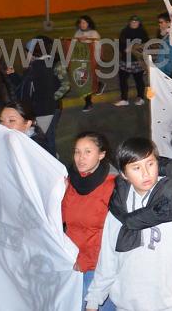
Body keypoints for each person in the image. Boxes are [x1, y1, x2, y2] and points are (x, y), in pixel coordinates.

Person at [84, 138, 172, 311]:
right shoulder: (118, 211)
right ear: (124, 174)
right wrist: (94, 299)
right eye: (136, 167)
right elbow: (108, 259)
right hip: (127, 304)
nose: (146, 173)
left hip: (171, 305)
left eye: (150, 164)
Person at [62, 132, 117, 311]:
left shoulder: (113, 186)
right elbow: (64, 220)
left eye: (87, 152)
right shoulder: (71, 181)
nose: (80, 158)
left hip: (99, 266)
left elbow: (111, 236)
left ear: (101, 155)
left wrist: (85, 261)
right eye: (77, 152)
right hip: (72, 261)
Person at [115, 15, 148, 107]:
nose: (134, 23)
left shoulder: (142, 32)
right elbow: (120, 44)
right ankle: (124, 99)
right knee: (122, 80)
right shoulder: (124, 31)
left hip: (137, 60)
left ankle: (140, 97)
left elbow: (146, 45)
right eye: (132, 22)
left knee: (139, 80)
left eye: (136, 22)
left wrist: (133, 48)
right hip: (125, 60)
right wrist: (124, 50)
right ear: (129, 22)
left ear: (139, 23)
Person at [74, 16, 102, 112]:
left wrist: (95, 60)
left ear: (89, 23)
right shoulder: (78, 33)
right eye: (81, 23)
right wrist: (78, 40)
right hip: (81, 61)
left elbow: (98, 47)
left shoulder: (94, 33)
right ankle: (98, 85)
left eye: (84, 23)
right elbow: (73, 45)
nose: (82, 25)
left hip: (91, 60)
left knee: (86, 82)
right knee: (84, 81)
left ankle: (88, 103)